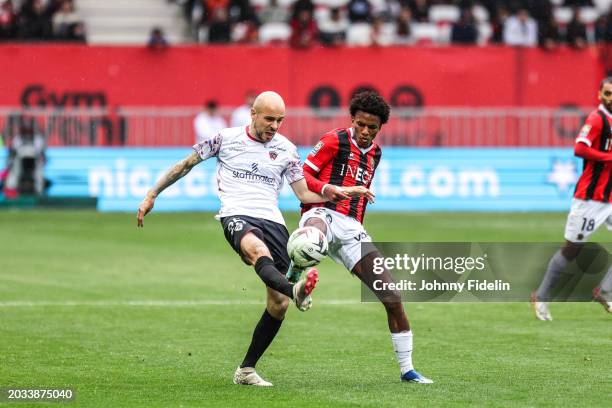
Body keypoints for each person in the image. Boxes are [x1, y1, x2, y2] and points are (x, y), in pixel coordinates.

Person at [137, 91, 370, 386]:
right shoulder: (225, 138)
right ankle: (297, 288)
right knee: (256, 250)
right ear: (253, 114)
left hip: (272, 220)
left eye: (280, 120)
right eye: (270, 119)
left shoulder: (286, 149)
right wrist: (151, 194)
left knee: (279, 303)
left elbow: (302, 193)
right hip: (236, 213)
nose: (275, 126)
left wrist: (333, 191)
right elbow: (186, 164)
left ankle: (246, 370)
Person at [286, 91, 434, 384]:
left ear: (380, 128)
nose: (365, 132)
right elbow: (302, 176)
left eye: (372, 127)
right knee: (312, 236)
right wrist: (331, 189)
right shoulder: (333, 140)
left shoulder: (376, 154)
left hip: (352, 228)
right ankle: (296, 272)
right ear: (352, 119)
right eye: (361, 125)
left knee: (392, 297)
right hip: (322, 211)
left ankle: (408, 371)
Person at [532, 78, 612, 321]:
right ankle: (542, 296)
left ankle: (607, 292)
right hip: (590, 199)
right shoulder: (596, 119)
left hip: (609, 198)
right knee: (571, 250)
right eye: (607, 93)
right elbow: (579, 148)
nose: (611, 98)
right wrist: (608, 157)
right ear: (599, 94)